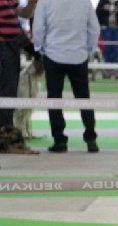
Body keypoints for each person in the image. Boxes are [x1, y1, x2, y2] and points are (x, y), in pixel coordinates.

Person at [32, 0, 101, 153]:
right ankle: (91, 138)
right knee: (84, 98)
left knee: (54, 99)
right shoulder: (84, 2)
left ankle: (59, 140)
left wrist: (40, 48)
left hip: (53, 53)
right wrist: (88, 49)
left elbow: (38, 28)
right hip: (78, 55)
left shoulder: (45, 2)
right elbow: (94, 28)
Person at [0, 0, 38, 130]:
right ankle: (5, 133)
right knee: (7, 94)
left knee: (8, 94)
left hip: (9, 49)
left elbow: (22, 13)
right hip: (6, 49)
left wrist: (31, 4)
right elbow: (12, 28)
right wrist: (32, 50)